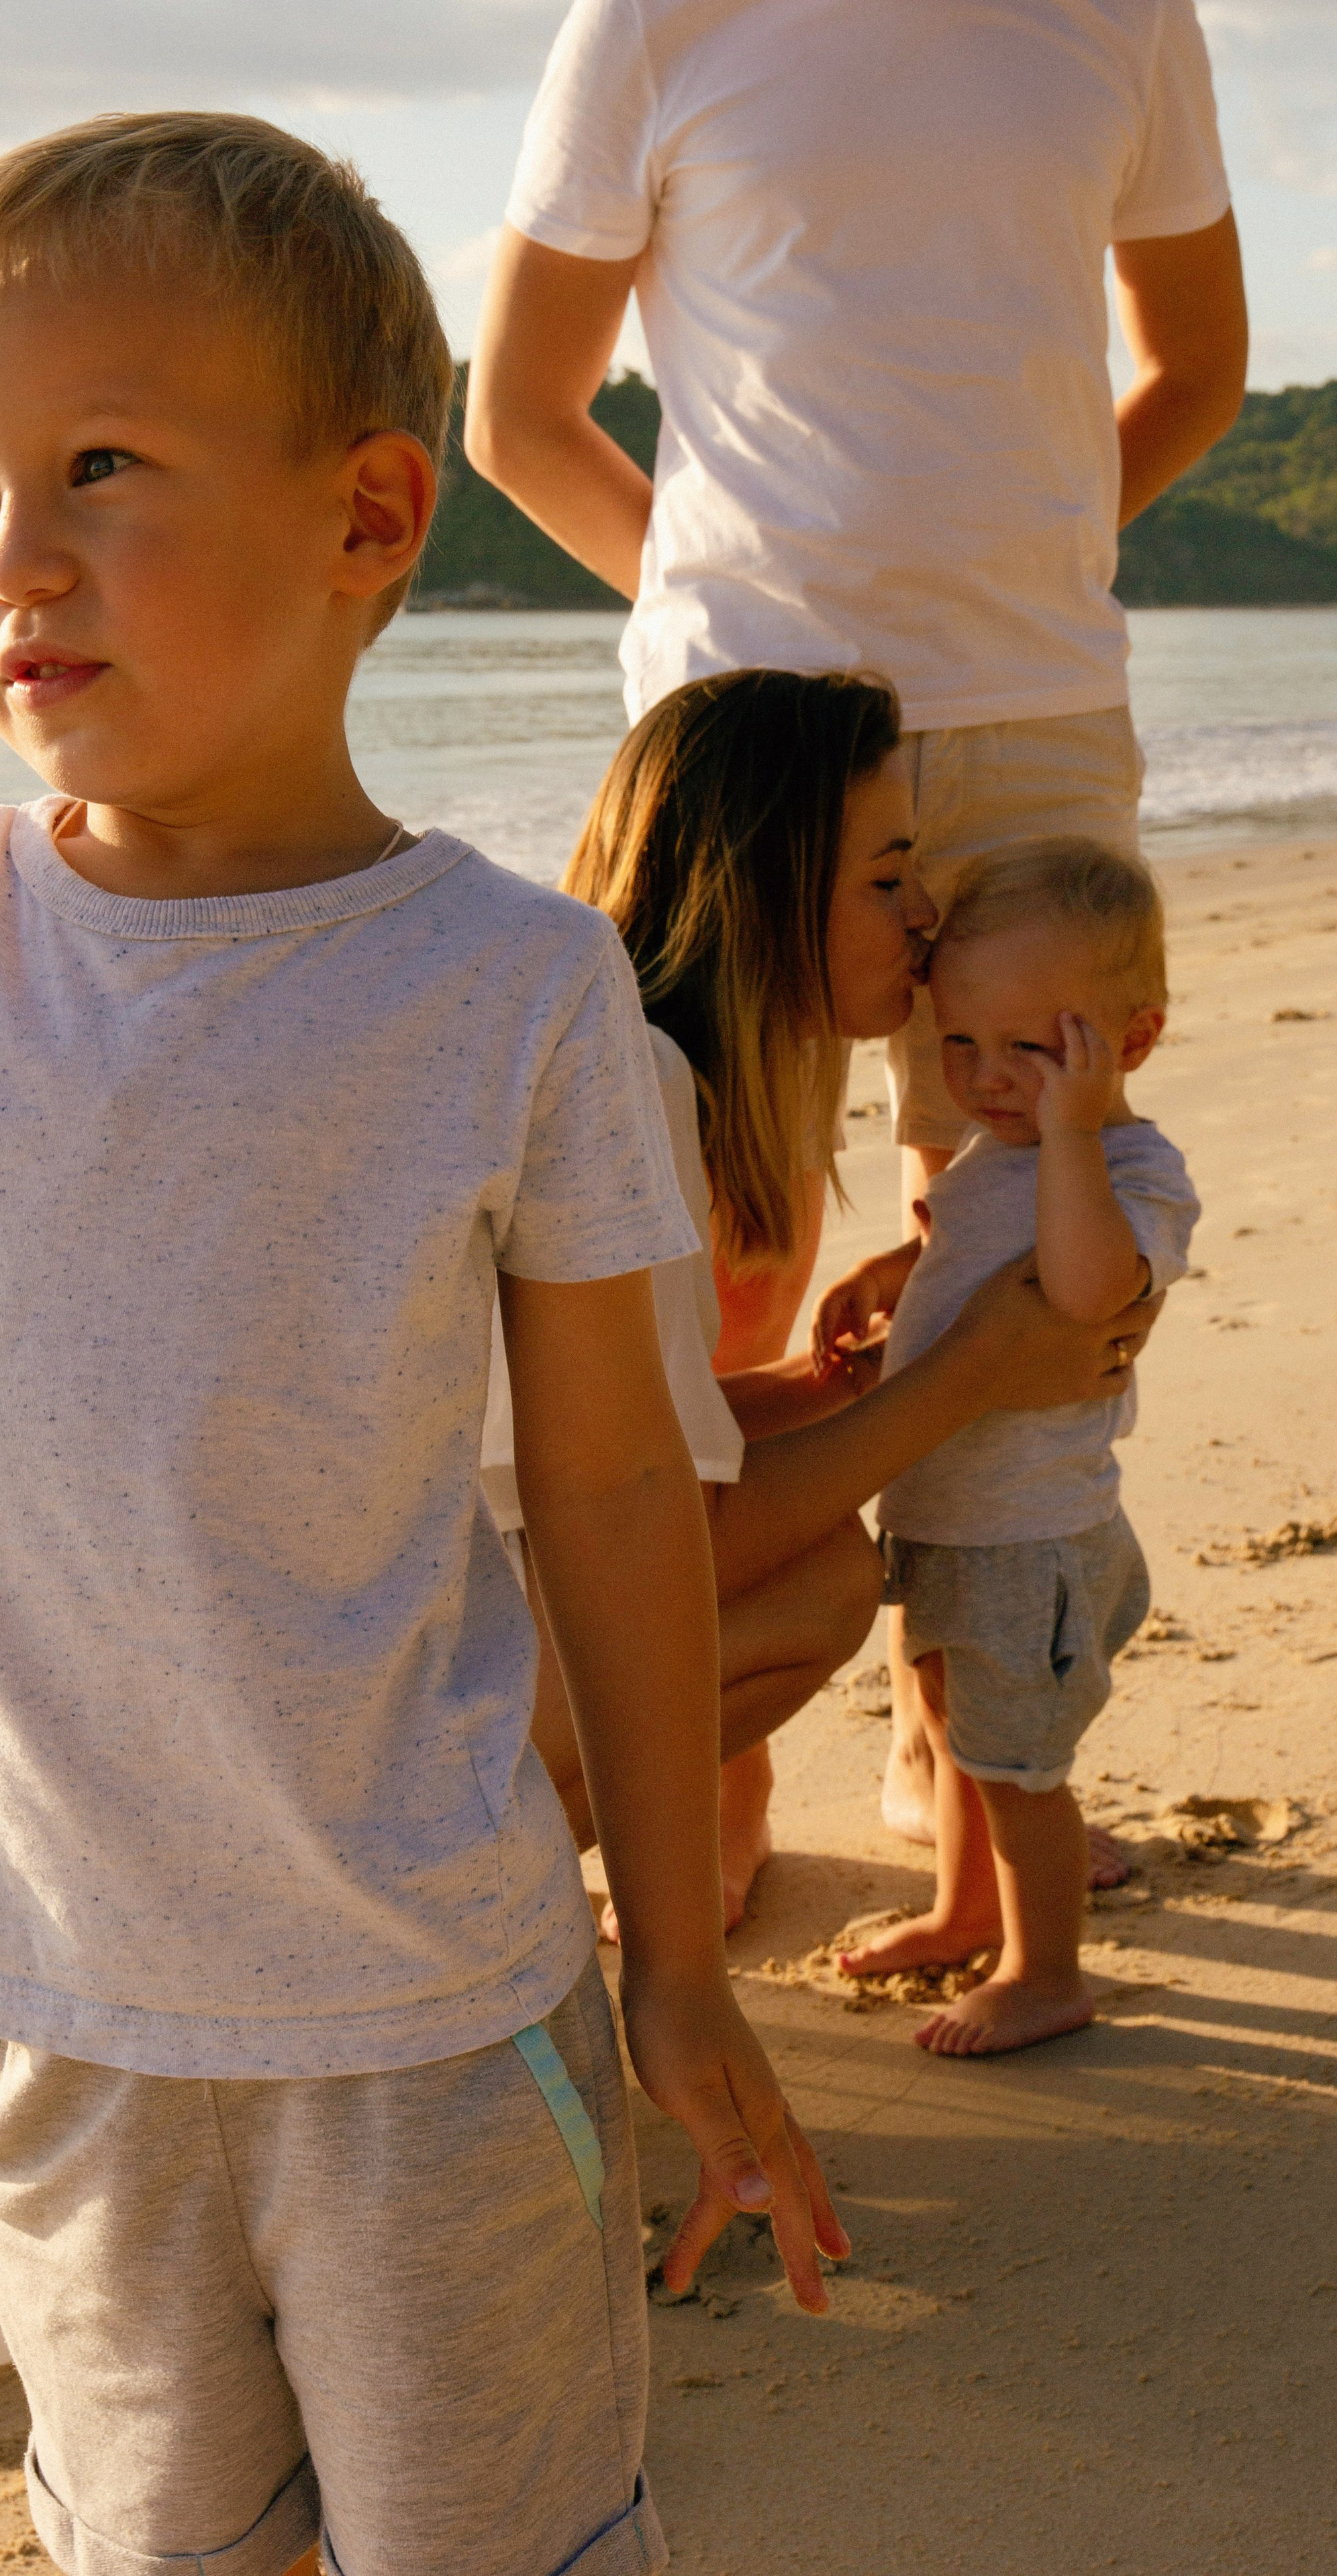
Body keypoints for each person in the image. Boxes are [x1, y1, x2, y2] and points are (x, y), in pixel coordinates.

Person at [0, 112, 852, 2576]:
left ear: (373, 517)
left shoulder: (509, 985)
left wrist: (684, 1971)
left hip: (434, 2021)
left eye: (99, 465)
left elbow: (613, 1486)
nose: (8, 562)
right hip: (46, 2013)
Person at [464, 0, 1246, 1854]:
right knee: (715, 1207)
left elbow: (1198, 368)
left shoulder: (1130, 16)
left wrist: (1033, 560)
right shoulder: (654, 18)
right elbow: (516, 417)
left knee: (1000, 1208)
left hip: (1037, 708)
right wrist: (743, 626)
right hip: (761, 718)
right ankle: (700, 1766)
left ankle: (958, 1737)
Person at [481, 670, 1169, 1929]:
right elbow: (644, 1532)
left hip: (385, 1616)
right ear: (764, 884)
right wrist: (971, 1371)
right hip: (383, 1685)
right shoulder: (630, 1096)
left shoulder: (597, 1040)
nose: (926, 913)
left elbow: (573, 1450)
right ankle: (473, 1902)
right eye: (886, 876)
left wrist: (818, 1385)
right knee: (824, 1586)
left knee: (810, 1529)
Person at [816, 842, 1197, 2052]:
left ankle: (1044, 1968)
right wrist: (898, 1272)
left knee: (1020, 1769)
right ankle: (964, 1905)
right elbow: (970, 1245)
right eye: (958, 1043)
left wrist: (1076, 1134)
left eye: (1029, 1049)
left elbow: (1087, 1293)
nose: (984, 1079)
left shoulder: (1128, 1168)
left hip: (1033, 1537)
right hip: (958, 1517)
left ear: (1126, 1045)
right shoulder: (1014, 1147)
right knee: (946, 1727)